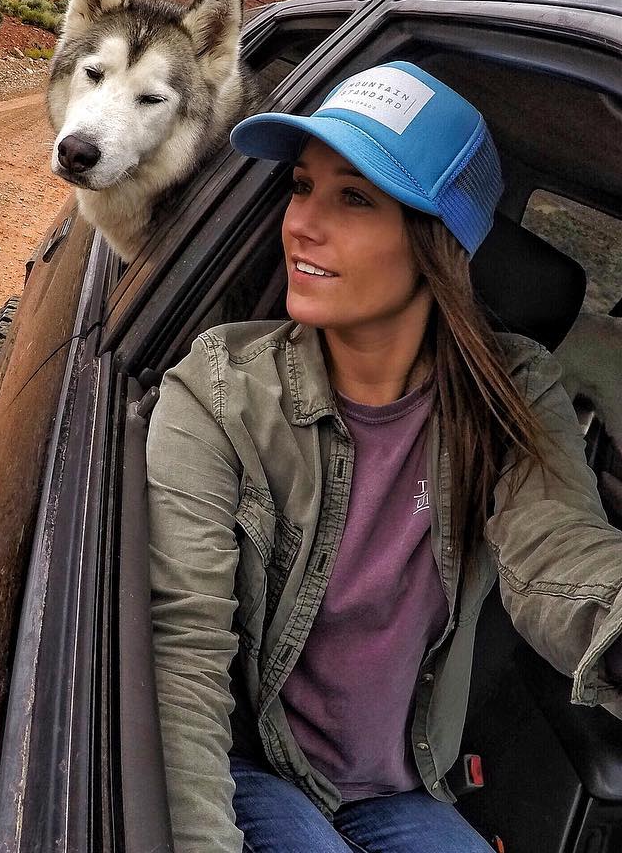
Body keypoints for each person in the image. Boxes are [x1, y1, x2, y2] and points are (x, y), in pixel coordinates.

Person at [146, 61, 622, 853]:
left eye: (355, 198)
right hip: (252, 768)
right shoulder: (222, 389)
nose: (301, 224)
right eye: (302, 186)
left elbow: (557, 547)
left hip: (404, 786)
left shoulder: (511, 392)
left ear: (441, 242)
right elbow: (182, 655)